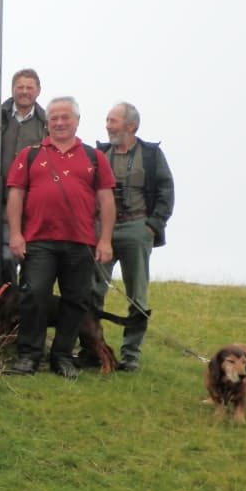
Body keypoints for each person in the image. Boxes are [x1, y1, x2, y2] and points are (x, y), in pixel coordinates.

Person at [5, 96, 115, 378]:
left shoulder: (94, 157)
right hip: (39, 240)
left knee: (76, 300)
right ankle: (29, 355)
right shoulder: (29, 155)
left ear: (77, 121)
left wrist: (105, 240)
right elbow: (15, 195)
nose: (60, 122)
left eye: (65, 117)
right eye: (54, 118)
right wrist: (16, 234)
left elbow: (106, 199)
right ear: (47, 123)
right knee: (34, 295)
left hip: (81, 242)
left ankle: (63, 356)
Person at [89, 102, 175, 371]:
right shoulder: (99, 152)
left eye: (113, 120)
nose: (107, 125)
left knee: (136, 293)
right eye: (107, 120)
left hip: (136, 227)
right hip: (102, 229)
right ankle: (92, 348)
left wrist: (152, 226)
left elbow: (166, 191)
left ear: (131, 126)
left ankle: (131, 355)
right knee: (93, 289)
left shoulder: (151, 154)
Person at [0, 68, 48, 281]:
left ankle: (29, 308)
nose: (25, 92)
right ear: (12, 90)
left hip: (34, 204)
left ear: (38, 91)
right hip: (0, 201)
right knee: (5, 258)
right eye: (20, 87)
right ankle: (6, 308)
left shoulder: (47, 123)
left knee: (33, 260)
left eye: (30, 87)